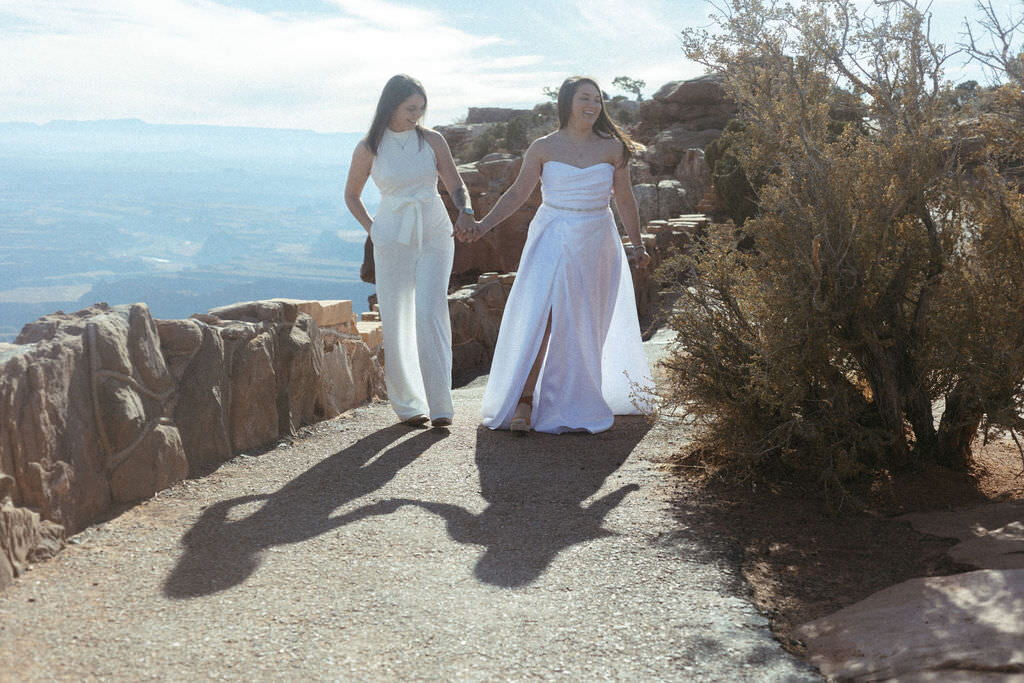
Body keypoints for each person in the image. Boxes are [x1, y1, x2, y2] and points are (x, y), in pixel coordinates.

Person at [456, 76, 653, 435]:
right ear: (567, 102)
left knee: (584, 319)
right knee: (544, 315)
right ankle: (525, 400)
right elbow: (517, 194)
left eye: (597, 99)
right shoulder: (543, 147)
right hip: (552, 235)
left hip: (596, 238)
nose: (592, 105)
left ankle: (574, 397)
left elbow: (624, 198)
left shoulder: (612, 148)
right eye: (584, 98)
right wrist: (483, 225)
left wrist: (637, 244)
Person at [345, 74, 474, 428]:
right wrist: (375, 231)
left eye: (420, 108)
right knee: (397, 316)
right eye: (409, 109)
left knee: (430, 311)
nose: (416, 115)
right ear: (391, 106)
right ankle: (409, 405)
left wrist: (466, 210)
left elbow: (454, 181)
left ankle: (441, 405)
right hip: (392, 236)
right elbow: (351, 196)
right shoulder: (369, 147)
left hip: (433, 230)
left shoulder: (432, 140)